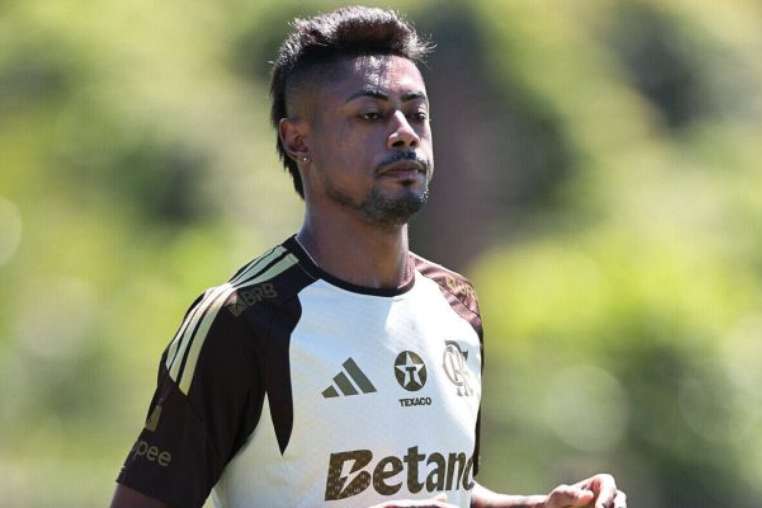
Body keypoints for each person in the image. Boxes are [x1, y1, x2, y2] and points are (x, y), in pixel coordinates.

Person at [110, 6, 627, 508]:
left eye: (417, 114)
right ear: (298, 140)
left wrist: (536, 507)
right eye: (371, 115)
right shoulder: (244, 318)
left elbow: (449, 488)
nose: (405, 132)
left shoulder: (456, 305)